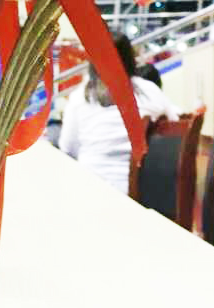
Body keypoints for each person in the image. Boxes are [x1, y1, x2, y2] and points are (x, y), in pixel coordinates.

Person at [59, 33, 180, 192]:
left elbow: (67, 148)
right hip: (142, 191)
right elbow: (175, 126)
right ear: (130, 58)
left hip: (88, 187)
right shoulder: (149, 91)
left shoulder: (79, 97)